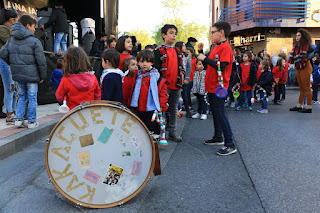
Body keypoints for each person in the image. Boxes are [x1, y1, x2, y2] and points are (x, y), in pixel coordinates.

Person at [198, 21, 237, 156]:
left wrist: (204, 58)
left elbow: (223, 67)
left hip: (219, 87)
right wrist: (201, 53)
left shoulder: (225, 48)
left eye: (213, 32)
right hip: (212, 86)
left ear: (221, 32)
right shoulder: (216, 47)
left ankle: (230, 144)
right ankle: (218, 137)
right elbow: (211, 64)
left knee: (220, 113)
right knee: (215, 112)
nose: (211, 35)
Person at [0, 15, 47, 128]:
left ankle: (19, 120)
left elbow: (3, 53)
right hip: (32, 75)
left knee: (21, 96)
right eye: (33, 26)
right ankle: (31, 121)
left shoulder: (11, 39)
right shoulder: (35, 41)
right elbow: (41, 61)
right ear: (27, 26)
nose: (35, 29)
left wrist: (13, 63)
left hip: (18, 75)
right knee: (32, 98)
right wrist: (42, 75)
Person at [154, 24, 185, 142]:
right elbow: (156, 69)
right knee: (161, 109)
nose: (174, 36)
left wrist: (182, 73)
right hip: (163, 86)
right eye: (171, 33)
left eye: (175, 33)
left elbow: (181, 66)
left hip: (176, 85)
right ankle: (160, 132)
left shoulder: (177, 51)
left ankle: (172, 131)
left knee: (173, 109)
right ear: (164, 35)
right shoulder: (159, 51)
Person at [130, 50, 168, 138]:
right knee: (141, 126)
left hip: (152, 107)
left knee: (153, 127)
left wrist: (162, 105)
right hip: (139, 106)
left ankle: (154, 143)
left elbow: (162, 93)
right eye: (142, 61)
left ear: (152, 62)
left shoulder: (156, 77)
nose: (144, 64)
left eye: (147, 61)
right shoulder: (137, 76)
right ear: (138, 62)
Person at [289, 29, 315, 113]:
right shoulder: (296, 45)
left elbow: (316, 50)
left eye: (299, 35)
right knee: (302, 88)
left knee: (306, 87)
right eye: (296, 35)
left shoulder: (308, 44)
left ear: (303, 36)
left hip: (305, 65)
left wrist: (308, 57)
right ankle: (299, 105)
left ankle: (309, 107)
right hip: (299, 66)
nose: (297, 37)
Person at [0, 8, 18, 122]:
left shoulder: (9, 29)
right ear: (11, 19)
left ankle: (15, 112)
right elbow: (10, 43)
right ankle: (9, 114)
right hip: (4, 61)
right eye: (16, 19)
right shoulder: (2, 29)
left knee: (15, 88)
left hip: (10, 62)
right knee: (10, 88)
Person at [175, 41, 192, 118]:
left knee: (185, 95)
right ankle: (176, 112)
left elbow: (189, 67)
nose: (185, 47)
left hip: (184, 77)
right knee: (176, 96)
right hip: (176, 78)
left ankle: (188, 111)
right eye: (183, 46)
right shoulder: (175, 55)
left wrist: (186, 78)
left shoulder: (186, 56)